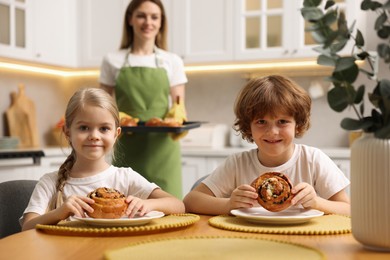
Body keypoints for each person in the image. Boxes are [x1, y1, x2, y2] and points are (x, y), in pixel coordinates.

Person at [183, 75, 351, 216]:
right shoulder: (237, 164)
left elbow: (349, 210)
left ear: (297, 124)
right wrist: (228, 204)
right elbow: (190, 202)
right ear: (249, 126)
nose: (272, 132)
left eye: (282, 122)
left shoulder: (313, 160)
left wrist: (317, 202)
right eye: (261, 122)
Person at [21, 88, 185, 231]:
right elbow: (27, 227)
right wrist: (59, 212)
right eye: (84, 127)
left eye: (104, 128)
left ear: (116, 134)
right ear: (67, 132)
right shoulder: (51, 182)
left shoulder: (125, 178)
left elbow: (178, 205)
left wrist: (149, 204)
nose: (94, 136)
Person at [99, 0, 188, 198]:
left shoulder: (172, 61)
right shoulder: (112, 60)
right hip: (126, 146)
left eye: (154, 17)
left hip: (163, 150)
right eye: (141, 15)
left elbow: (179, 105)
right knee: (122, 208)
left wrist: (178, 119)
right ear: (130, 19)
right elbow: (101, 107)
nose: (148, 22)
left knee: (169, 213)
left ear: (161, 22)